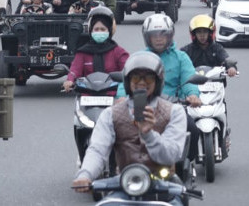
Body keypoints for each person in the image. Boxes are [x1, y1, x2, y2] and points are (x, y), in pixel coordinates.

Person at [71, 51, 187, 206]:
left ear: (158, 80)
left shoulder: (175, 111)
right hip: (124, 183)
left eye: (148, 77)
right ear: (127, 80)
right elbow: (98, 149)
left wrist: (149, 135)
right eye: (136, 77)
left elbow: (172, 155)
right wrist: (85, 175)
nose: (142, 82)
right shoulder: (110, 114)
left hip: (163, 185)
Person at [116, 14, 201, 162]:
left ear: (170, 36)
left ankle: (186, 163)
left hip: (173, 107)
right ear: (147, 37)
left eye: (163, 34)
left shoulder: (181, 57)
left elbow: (189, 80)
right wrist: (121, 97)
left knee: (193, 129)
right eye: (154, 35)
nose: (159, 38)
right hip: (142, 106)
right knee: (118, 130)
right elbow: (126, 80)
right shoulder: (139, 57)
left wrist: (193, 95)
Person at [62, 6, 129, 92]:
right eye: (96, 29)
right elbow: (75, 69)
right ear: (91, 31)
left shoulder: (118, 52)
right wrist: (70, 80)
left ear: (109, 31)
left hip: (113, 96)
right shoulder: (82, 52)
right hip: (86, 95)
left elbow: (128, 70)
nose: (99, 32)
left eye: (103, 29)